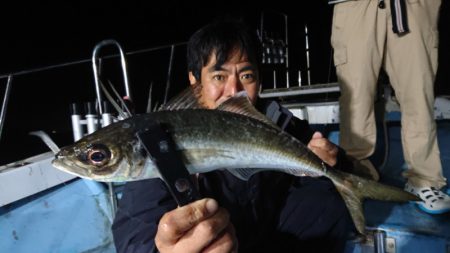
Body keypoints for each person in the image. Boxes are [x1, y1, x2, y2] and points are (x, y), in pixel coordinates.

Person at [112, 19, 353, 253]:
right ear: (194, 81)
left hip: (269, 237)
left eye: (246, 76)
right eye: (219, 77)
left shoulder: (279, 123)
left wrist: (333, 159)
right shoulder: (159, 138)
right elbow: (135, 231)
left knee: (327, 199)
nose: (234, 91)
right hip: (218, 242)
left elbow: (337, 166)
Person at [329, 0, 450, 213]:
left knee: (418, 94)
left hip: (413, 5)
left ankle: (424, 180)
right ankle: (357, 175)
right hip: (355, 4)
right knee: (355, 96)